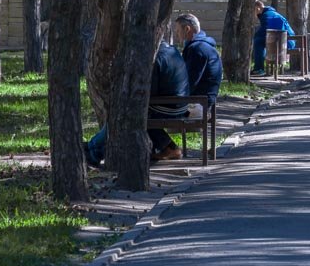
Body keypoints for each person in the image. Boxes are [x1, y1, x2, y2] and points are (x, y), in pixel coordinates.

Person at [84, 38, 190, 167]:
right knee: (128, 113)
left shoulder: (156, 57)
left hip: (167, 106)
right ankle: (170, 147)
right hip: (180, 104)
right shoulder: (172, 50)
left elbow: (150, 91)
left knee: (124, 115)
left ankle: (92, 149)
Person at [175, 13, 223, 104]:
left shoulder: (197, 49)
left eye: (178, 31)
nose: (177, 35)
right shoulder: (202, 46)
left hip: (200, 103)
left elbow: (190, 82)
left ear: (187, 29)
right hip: (205, 98)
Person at [252, 0, 295, 77]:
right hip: (287, 40)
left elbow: (264, 31)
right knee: (259, 41)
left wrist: (254, 36)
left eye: (253, 10)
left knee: (258, 42)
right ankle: (259, 67)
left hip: (285, 42)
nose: (253, 14)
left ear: (257, 8)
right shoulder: (271, 13)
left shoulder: (266, 15)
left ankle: (259, 68)